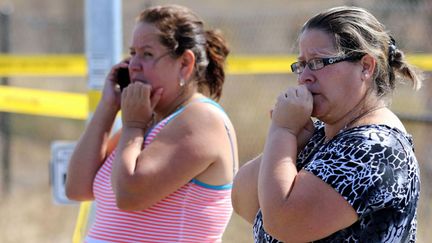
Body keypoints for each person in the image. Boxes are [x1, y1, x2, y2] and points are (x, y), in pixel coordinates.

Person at [232, 6, 423, 243]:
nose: (304, 77)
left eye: (318, 62)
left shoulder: (376, 149)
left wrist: (283, 130)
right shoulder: (327, 135)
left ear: (365, 66)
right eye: (301, 64)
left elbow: (283, 222)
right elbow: (243, 199)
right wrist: (292, 143)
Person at [66, 4, 238, 242]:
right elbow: (77, 188)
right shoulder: (148, 122)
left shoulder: (201, 119)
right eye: (132, 52)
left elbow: (129, 195)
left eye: (147, 54)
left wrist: (133, 126)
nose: (134, 65)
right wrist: (108, 107)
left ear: (184, 64)